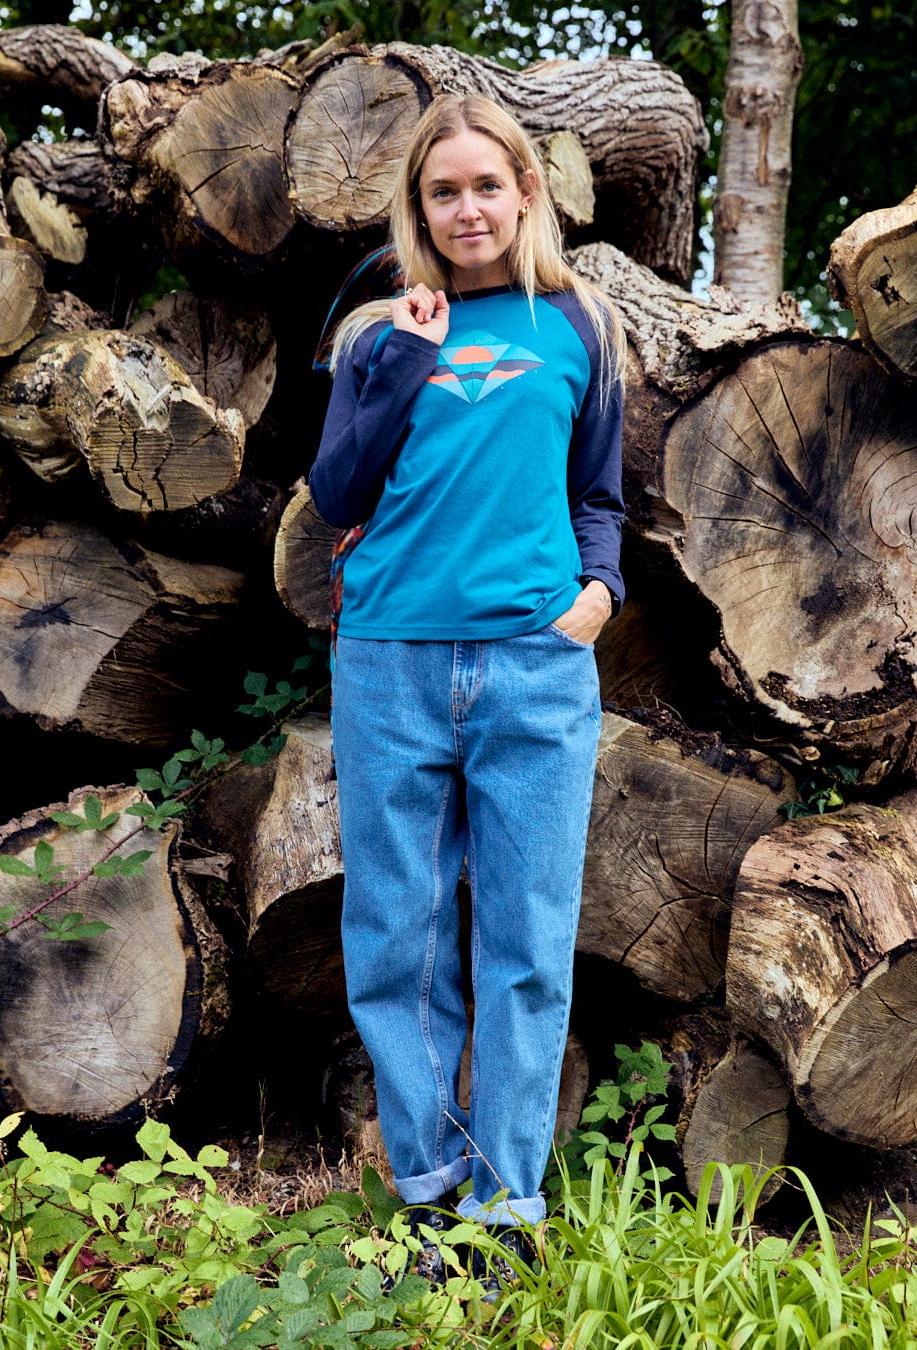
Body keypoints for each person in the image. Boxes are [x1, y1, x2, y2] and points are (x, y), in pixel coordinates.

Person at [308, 92, 625, 1293]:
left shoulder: (581, 324)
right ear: (419, 208)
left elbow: (599, 490)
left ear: (527, 191)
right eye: (444, 191)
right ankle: (431, 1195)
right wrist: (397, 359)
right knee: (395, 938)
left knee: (528, 941)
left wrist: (596, 593)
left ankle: (507, 1203)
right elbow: (337, 493)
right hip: (390, 659)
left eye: (487, 185)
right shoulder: (376, 333)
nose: (468, 208)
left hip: (537, 669)